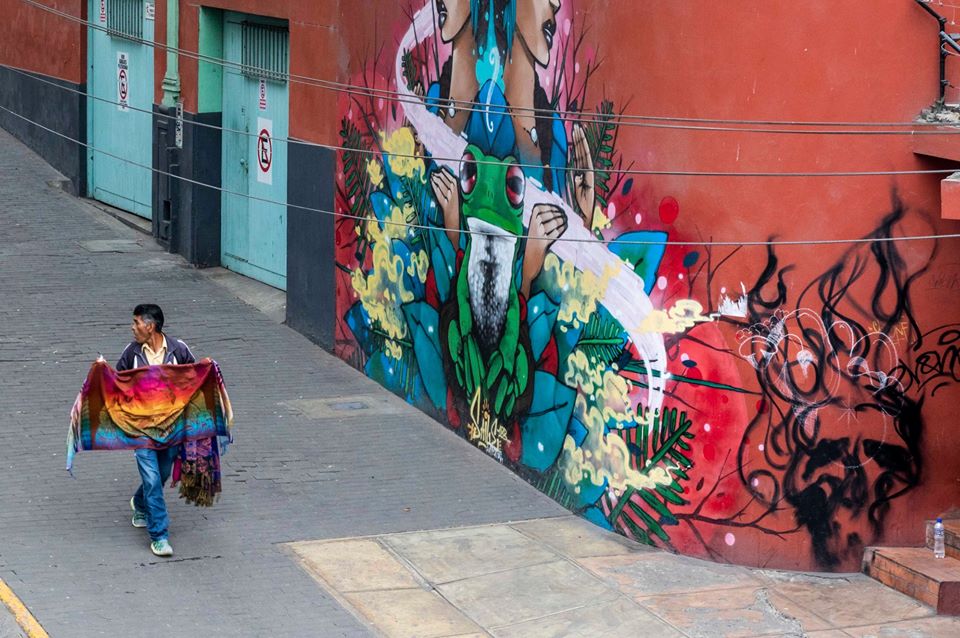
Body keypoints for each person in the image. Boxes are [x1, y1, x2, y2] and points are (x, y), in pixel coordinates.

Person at [116, 304, 197, 557]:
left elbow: (194, 378)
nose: (132, 327)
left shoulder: (178, 350)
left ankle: (140, 502)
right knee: (151, 479)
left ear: (150, 326)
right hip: (142, 429)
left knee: (160, 475)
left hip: (171, 428)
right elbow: (118, 383)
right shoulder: (131, 353)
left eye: (136, 322)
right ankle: (159, 535)